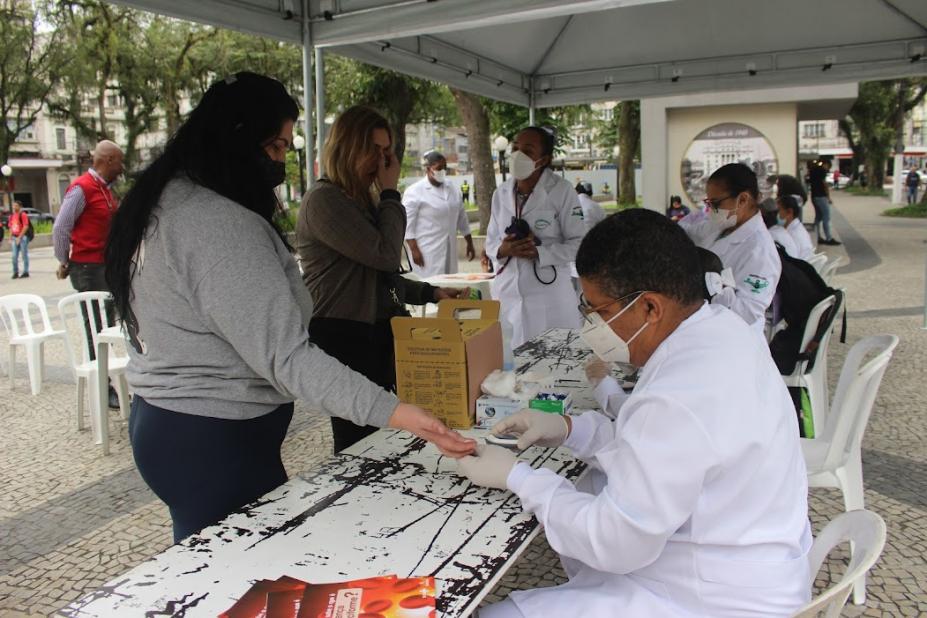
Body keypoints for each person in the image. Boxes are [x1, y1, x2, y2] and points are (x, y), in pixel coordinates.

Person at [104, 73, 475, 543]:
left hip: (180, 425)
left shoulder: (172, 201)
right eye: (276, 147)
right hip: (213, 439)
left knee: (214, 568)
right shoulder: (217, 223)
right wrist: (402, 413)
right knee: (242, 575)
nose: (281, 160)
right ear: (237, 139)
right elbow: (288, 357)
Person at [460, 209, 811, 618]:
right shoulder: (721, 331)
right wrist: (567, 428)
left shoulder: (678, 393)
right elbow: (659, 449)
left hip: (714, 599)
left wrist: (520, 478)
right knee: (589, 494)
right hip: (745, 559)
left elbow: (614, 541)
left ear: (649, 308)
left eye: (600, 311)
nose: (591, 324)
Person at [298, 106, 471, 453]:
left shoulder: (361, 200)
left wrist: (431, 293)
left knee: (401, 428)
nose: (382, 161)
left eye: (387, 151)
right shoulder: (325, 200)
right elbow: (384, 254)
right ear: (348, 147)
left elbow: (381, 277)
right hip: (345, 335)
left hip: (379, 332)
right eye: (374, 150)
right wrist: (391, 192)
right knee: (358, 438)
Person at [485, 127, 586, 348]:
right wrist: (503, 250)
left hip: (550, 297)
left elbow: (579, 244)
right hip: (508, 294)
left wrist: (539, 252)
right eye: (515, 148)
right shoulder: (500, 193)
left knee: (555, 368)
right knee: (512, 367)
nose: (518, 155)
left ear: (544, 159)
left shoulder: (562, 191)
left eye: (528, 150)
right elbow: (490, 241)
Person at [53, 139, 124, 409]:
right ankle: (102, 388)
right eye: (119, 161)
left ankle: (107, 379)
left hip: (103, 266)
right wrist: (64, 260)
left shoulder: (104, 190)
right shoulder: (82, 188)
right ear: (106, 160)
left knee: (106, 325)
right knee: (96, 328)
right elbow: (61, 227)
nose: (122, 168)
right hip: (88, 268)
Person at [678, 163, 781, 332]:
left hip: (731, 336)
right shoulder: (722, 225)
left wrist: (715, 287)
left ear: (742, 199)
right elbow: (689, 232)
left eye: (716, 203)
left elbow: (747, 312)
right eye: (709, 203)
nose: (711, 209)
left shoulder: (761, 252)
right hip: (702, 321)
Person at [402, 151, 475, 277]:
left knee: (449, 286)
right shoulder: (414, 191)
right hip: (426, 251)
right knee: (429, 288)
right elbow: (408, 224)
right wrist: (414, 250)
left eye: (444, 168)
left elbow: (461, 217)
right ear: (428, 169)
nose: (442, 171)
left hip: (449, 249)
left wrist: (469, 242)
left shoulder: (451, 187)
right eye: (438, 168)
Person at [808, 160, 840, 245]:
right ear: (826, 164)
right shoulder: (822, 171)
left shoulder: (812, 170)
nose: (827, 169)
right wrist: (828, 197)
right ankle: (828, 238)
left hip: (814, 196)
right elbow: (824, 184)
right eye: (828, 167)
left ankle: (817, 236)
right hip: (821, 196)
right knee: (826, 217)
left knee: (818, 217)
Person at [777, 195, 815, 260]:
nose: (777, 214)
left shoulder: (793, 233)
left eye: (779, 210)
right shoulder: (796, 228)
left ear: (789, 212)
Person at [8, 201, 30, 279]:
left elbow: (26, 226)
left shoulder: (23, 215)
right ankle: (15, 272)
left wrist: (19, 237)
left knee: (24, 255)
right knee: (14, 256)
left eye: (16, 206)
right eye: (13, 206)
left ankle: (26, 271)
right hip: (14, 237)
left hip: (22, 238)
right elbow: (11, 227)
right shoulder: (11, 216)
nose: (14, 207)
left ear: (20, 207)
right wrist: (10, 237)